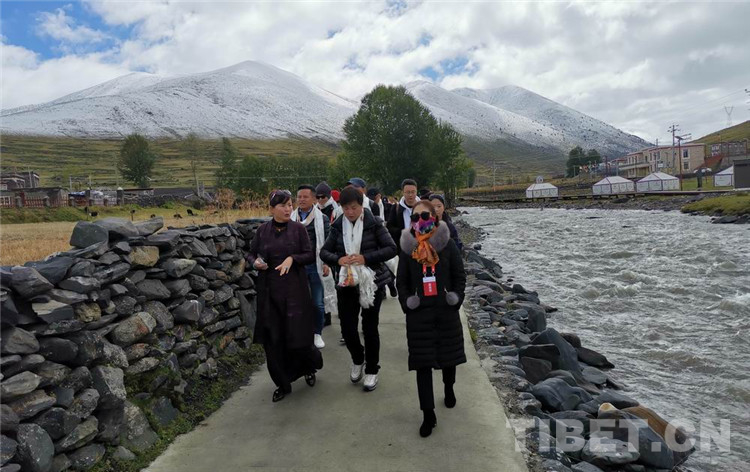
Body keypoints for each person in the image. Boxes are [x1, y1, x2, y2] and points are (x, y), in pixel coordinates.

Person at [396, 199, 466, 437]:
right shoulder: (408, 248)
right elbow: (401, 282)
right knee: (422, 365)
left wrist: (456, 299)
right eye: (415, 217)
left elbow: (459, 276)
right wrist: (407, 303)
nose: (420, 220)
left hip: (445, 311)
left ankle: (449, 387)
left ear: (434, 217)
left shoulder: (447, 244)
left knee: (449, 359)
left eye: (424, 215)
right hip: (419, 315)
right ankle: (428, 414)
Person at [246, 189, 323, 402]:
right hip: (269, 293)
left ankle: (309, 368)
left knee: (298, 336)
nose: (288, 209)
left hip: (295, 292)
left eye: (290, 205)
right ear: (272, 209)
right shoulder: (262, 231)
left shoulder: (298, 229)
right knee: (274, 340)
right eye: (283, 205)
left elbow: (309, 254)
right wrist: (255, 262)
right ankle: (282, 383)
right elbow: (250, 253)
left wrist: (292, 258)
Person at [320, 187, 397, 392]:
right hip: (347, 282)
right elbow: (324, 252)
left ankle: (372, 369)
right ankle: (358, 358)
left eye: (354, 207)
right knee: (347, 328)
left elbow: (391, 248)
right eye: (346, 208)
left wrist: (365, 258)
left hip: (372, 283)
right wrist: (339, 259)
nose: (350, 212)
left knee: (370, 328)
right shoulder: (337, 226)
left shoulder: (374, 223)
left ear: (361, 205)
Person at [292, 184, 336, 349]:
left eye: (305, 197)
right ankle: (302, 332)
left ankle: (317, 333)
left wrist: (327, 263)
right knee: (299, 302)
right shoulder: (291, 218)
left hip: (315, 265)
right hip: (297, 266)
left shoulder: (321, 218)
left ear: (313, 198)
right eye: (299, 197)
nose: (302, 200)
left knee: (317, 303)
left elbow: (328, 243)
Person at [367, 187, 398, 298]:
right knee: (380, 265)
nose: (373, 200)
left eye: (374, 198)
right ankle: (384, 288)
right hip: (374, 238)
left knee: (387, 264)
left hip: (385, 236)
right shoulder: (370, 205)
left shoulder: (385, 205)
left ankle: (391, 284)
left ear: (379, 196)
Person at [386, 178, 420, 253]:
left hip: (420, 248)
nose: (410, 195)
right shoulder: (396, 208)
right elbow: (389, 227)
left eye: (413, 192)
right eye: (408, 192)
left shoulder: (423, 207)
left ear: (416, 192)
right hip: (402, 249)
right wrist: (402, 232)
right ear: (403, 193)